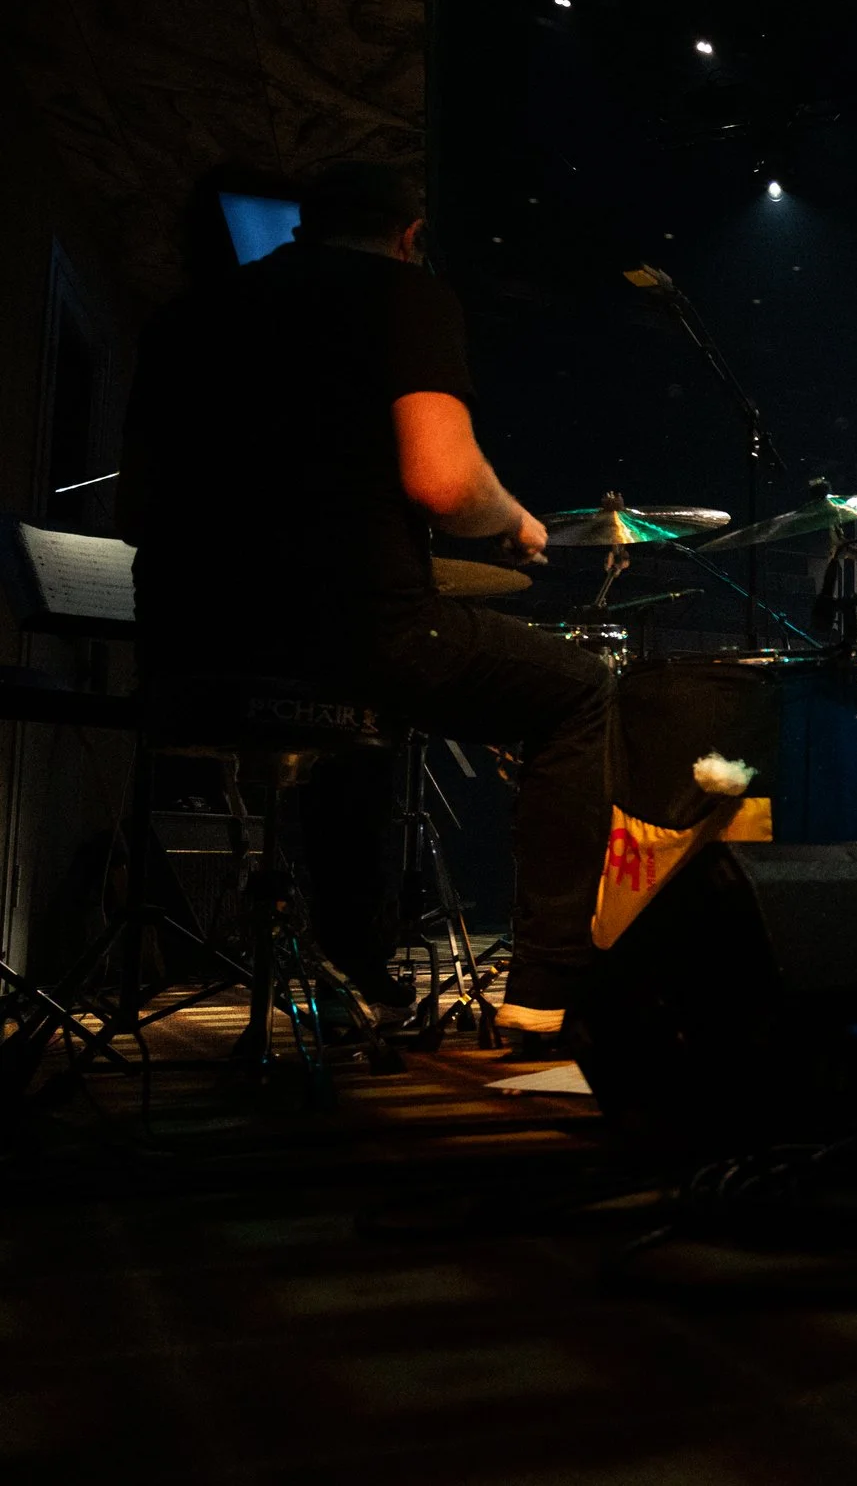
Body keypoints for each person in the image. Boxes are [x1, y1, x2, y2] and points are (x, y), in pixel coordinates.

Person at [120, 163, 605, 1052]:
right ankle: (548, 989)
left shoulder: (185, 317)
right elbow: (446, 481)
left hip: (185, 647)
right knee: (577, 688)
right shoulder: (404, 296)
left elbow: (132, 512)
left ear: (305, 227)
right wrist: (513, 521)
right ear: (409, 236)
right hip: (347, 627)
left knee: (365, 707)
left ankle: (363, 981)